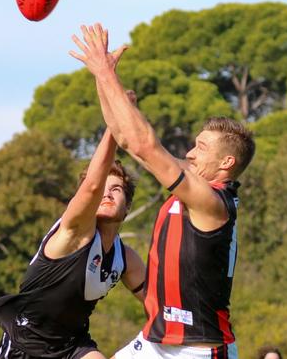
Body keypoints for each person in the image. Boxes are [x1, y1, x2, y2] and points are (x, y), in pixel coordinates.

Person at [70, 24, 255, 359]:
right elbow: (124, 134)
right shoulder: (196, 186)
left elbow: (140, 144)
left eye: (200, 147)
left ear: (226, 162)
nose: (190, 154)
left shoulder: (211, 202)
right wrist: (105, 78)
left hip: (198, 350)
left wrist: (103, 72)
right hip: (157, 341)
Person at [0, 97, 147, 359]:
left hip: (72, 345)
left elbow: (159, 306)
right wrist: (116, 126)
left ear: (127, 205)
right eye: (101, 191)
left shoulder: (125, 258)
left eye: (116, 190)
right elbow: (92, 186)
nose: (106, 195)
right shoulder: (75, 231)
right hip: (27, 345)